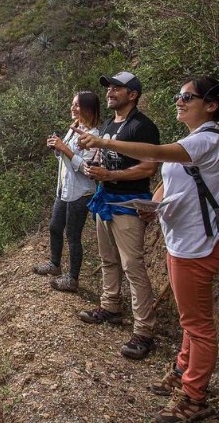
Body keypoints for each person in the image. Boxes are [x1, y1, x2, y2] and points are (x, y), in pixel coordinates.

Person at [77, 76, 219, 423]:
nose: (179, 101)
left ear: (210, 106)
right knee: (189, 320)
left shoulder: (209, 141)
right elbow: (173, 177)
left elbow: (155, 154)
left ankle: (195, 398)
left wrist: (103, 140)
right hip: (182, 241)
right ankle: (182, 372)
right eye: (178, 95)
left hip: (199, 245)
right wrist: (155, 202)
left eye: (187, 97)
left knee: (198, 326)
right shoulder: (194, 139)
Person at [77, 71, 160, 360]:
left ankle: (144, 331)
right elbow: (109, 156)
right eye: (109, 88)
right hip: (106, 199)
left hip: (128, 203)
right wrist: (95, 165)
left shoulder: (143, 127)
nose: (110, 92)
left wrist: (111, 174)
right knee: (108, 258)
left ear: (133, 95)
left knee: (132, 265)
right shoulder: (113, 124)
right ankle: (110, 305)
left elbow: (149, 167)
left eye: (117, 88)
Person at [32, 91, 101, 292]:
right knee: (54, 227)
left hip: (81, 192)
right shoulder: (74, 128)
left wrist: (65, 149)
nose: (73, 108)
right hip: (64, 188)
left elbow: (88, 169)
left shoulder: (95, 135)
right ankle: (55, 264)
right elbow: (64, 158)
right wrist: (57, 148)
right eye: (73, 104)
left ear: (89, 107)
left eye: (77, 105)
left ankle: (72, 278)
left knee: (73, 235)